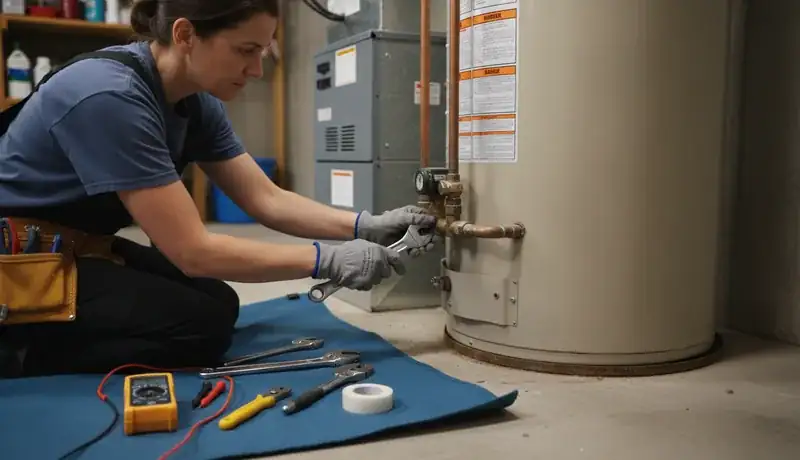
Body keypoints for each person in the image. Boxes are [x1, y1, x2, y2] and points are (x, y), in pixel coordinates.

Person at [0, 0, 437, 377]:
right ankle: (18, 352)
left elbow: (266, 199)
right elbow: (193, 251)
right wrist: (327, 260)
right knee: (200, 329)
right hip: (19, 259)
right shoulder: (109, 96)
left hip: (79, 245)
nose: (257, 69)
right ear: (185, 35)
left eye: (262, 51)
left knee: (219, 302)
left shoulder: (195, 100)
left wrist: (366, 225)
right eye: (245, 50)